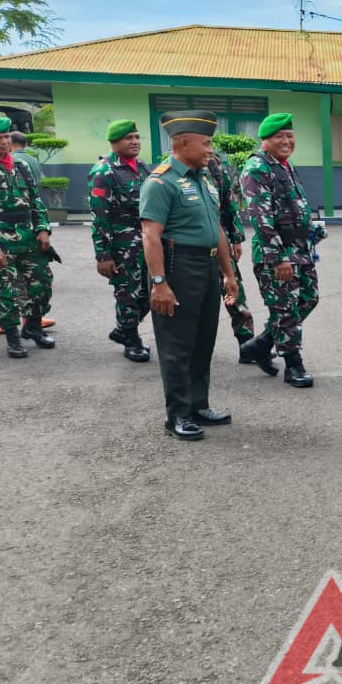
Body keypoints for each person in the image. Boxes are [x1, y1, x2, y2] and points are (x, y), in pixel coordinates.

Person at [139, 110, 238, 441]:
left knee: (202, 340)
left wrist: (228, 273)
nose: (211, 150)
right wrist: (159, 283)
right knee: (177, 344)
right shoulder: (160, 182)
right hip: (178, 266)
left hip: (208, 266)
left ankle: (198, 405)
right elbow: (151, 236)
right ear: (182, 142)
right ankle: (177, 415)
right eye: (206, 143)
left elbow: (218, 230)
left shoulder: (205, 180)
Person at [239, 112, 324, 387]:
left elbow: (294, 207)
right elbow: (260, 218)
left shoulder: (284, 166)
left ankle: (262, 343)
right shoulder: (257, 168)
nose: (286, 141)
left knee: (309, 298)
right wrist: (278, 258)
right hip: (275, 256)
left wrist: (312, 229)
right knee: (285, 309)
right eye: (279, 137)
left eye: (290, 136)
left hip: (300, 251)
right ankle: (293, 365)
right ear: (265, 140)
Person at [0, 115, 56, 359]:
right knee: (6, 293)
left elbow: (36, 200)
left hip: (29, 238)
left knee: (41, 286)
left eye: (6, 137)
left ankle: (32, 327)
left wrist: (43, 228)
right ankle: (13, 337)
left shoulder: (21, 166)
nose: (4, 142)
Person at [88, 119, 152, 362]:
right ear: (114, 142)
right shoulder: (103, 171)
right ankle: (131, 340)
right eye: (128, 138)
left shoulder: (143, 168)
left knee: (148, 293)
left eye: (137, 137)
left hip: (147, 241)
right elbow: (98, 215)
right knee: (128, 293)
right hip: (121, 244)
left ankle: (122, 329)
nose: (134, 142)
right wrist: (103, 255)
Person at [205, 147, 259, 357]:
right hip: (190, 248)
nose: (208, 149)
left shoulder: (216, 166)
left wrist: (236, 239)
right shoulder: (174, 173)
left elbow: (229, 204)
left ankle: (247, 346)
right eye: (203, 143)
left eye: (209, 143)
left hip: (222, 243)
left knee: (235, 292)